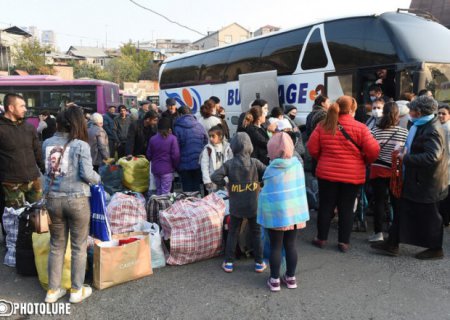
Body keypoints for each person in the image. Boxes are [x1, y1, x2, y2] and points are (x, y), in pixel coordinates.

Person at [371, 96, 448, 260]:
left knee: (431, 216)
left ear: (419, 112)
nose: (409, 113)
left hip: (428, 182)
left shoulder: (431, 129)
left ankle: (436, 249)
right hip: (418, 179)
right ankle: (392, 243)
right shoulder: (423, 125)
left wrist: (405, 157)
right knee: (402, 211)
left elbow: (432, 157)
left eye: (411, 110)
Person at [307, 95, 380, 252]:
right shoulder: (361, 127)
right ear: (352, 109)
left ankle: (321, 238)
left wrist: (323, 159)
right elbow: (374, 150)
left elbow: (312, 148)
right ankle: (343, 242)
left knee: (326, 206)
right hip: (352, 175)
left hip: (326, 174)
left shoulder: (323, 125)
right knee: (346, 208)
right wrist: (364, 161)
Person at [43, 107, 100, 304]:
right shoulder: (80, 145)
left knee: (56, 246)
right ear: (77, 123)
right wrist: (99, 179)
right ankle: (76, 290)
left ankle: (52, 291)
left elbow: (47, 173)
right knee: (78, 247)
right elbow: (87, 174)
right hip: (76, 200)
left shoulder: (47, 143)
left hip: (52, 200)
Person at [257, 132, 310, 292]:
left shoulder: (271, 169)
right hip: (294, 213)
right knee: (291, 245)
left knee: (275, 246)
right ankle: (291, 277)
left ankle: (274, 280)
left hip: (276, 216)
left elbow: (266, 192)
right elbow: (299, 189)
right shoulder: (297, 165)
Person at [211, 132, 266, 274]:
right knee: (256, 232)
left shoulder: (229, 164)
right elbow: (268, 172)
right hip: (253, 204)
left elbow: (214, 176)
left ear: (233, 147)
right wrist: (262, 184)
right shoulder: (255, 162)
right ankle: (259, 262)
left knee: (233, 232)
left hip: (236, 206)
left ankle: (229, 262)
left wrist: (225, 184)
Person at [0, 93, 44, 234]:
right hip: (11, 183)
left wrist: (44, 169)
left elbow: (37, 151)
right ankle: (15, 248)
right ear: (11, 108)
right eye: (22, 106)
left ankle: (35, 247)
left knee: (38, 216)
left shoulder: (29, 127)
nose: (26, 109)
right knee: (16, 218)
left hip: (33, 179)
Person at [368, 102, 408, 242]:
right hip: (395, 170)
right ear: (398, 115)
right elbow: (404, 152)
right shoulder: (404, 132)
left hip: (378, 169)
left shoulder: (375, 131)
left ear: (384, 113)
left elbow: (370, 150)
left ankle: (378, 233)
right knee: (396, 202)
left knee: (379, 202)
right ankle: (396, 232)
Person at [173, 106, 208, 192]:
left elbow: (176, 147)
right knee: (196, 187)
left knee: (187, 189)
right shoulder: (199, 125)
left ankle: (188, 204)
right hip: (198, 161)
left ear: (180, 114)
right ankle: (197, 203)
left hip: (184, 163)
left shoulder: (177, 128)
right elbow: (205, 141)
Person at [146, 117, 180, 195]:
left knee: (158, 190)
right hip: (167, 169)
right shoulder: (172, 139)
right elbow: (176, 155)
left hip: (155, 169)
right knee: (166, 193)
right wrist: (175, 166)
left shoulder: (152, 139)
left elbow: (148, 155)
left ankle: (158, 206)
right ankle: (165, 207)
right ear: (169, 128)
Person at [200, 125, 233, 193]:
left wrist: (230, 179)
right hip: (212, 181)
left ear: (220, 136)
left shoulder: (228, 148)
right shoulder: (208, 149)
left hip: (225, 180)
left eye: (213, 136)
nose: (211, 138)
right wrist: (207, 181)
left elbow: (231, 164)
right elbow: (204, 166)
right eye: (210, 136)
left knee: (225, 198)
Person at [438, 103, 450, 227]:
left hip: (445, 166)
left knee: (445, 196)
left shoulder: (446, 129)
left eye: (444, 114)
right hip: (445, 167)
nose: (441, 115)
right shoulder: (443, 127)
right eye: (439, 113)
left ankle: (444, 220)